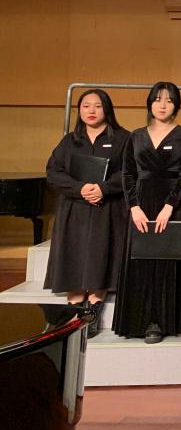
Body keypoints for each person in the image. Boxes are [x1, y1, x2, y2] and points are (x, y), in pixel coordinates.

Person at [113, 82, 181, 343]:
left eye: (169, 100)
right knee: (140, 260)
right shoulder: (135, 136)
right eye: (158, 99)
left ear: (176, 106)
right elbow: (127, 174)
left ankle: (160, 322)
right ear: (150, 103)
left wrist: (170, 206)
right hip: (141, 204)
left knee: (168, 261)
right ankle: (137, 321)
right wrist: (134, 207)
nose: (163, 105)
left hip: (173, 205)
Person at [44, 89, 130, 338]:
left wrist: (104, 188)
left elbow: (129, 172)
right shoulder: (69, 141)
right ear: (79, 110)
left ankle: (92, 311)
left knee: (99, 254)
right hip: (75, 208)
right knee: (74, 254)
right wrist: (79, 188)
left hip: (107, 208)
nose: (91, 111)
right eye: (86, 106)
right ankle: (74, 310)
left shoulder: (123, 138)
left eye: (97, 106)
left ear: (107, 110)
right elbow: (53, 172)